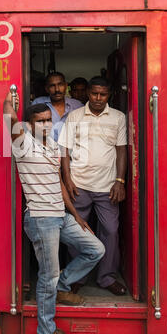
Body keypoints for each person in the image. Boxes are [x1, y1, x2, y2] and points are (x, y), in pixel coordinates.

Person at [3, 92, 105, 334]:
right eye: (40, 121)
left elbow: (58, 182)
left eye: (49, 119)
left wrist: (75, 215)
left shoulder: (52, 145)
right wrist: (9, 100)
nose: (46, 124)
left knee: (95, 249)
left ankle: (62, 285)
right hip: (41, 218)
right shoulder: (23, 143)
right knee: (46, 275)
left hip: (60, 214)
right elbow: (8, 117)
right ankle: (46, 331)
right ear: (29, 124)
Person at [58, 76, 127, 296]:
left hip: (107, 186)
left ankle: (106, 277)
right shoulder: (74, 116)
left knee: (111, 231)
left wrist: (120, 181)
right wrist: (67, 180)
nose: (98, 98)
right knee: (77, 233)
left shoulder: (118, 117)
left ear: (110, 95)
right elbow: (65, 151)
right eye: (94, 93)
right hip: (79, 185)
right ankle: (76, 276)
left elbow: (121, 150)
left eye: (103, 94)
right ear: (88, 93)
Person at [31, 72, 82, 142]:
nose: (57, 89)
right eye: (52, 86)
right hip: (45, 150)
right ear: (46, 89)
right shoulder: (38, 103)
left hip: (71, 150)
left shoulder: (77, 105)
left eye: (60, 85)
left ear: (66, 86)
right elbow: (30, 129)